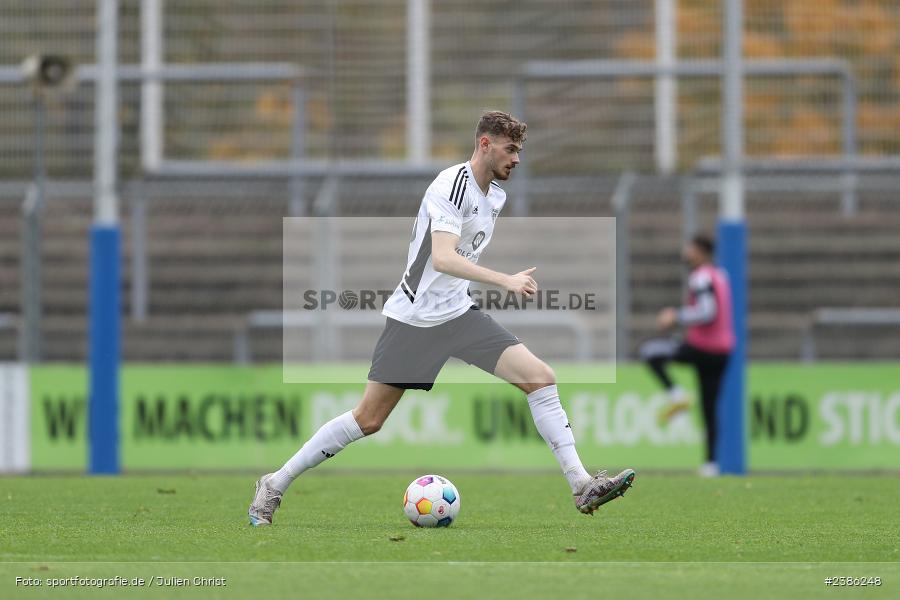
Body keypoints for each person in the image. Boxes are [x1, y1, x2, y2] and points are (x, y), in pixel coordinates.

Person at [249, 111, 635, 525]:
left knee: (540, 378)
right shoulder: (451, 185)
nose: (517, 159)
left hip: (458, 316)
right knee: (369, 419)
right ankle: (273, 483)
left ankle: (580, 485)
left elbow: (458, 261)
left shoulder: (495, 197)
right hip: (415, 320)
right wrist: (504, 280)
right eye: (510, 149)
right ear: (484, 144)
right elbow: (444, 257)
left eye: (519, 150)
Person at [639, 234, 735, 477]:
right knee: (709, 407)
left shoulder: (701, 277)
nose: (685, 252)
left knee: (650, 353)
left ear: (701, 252)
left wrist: (676, 316)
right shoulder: (721, 275)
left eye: (689, 248)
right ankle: (711, 464)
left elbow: (707, 311)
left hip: (702, 348)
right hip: (723, 351)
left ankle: (677, 394)